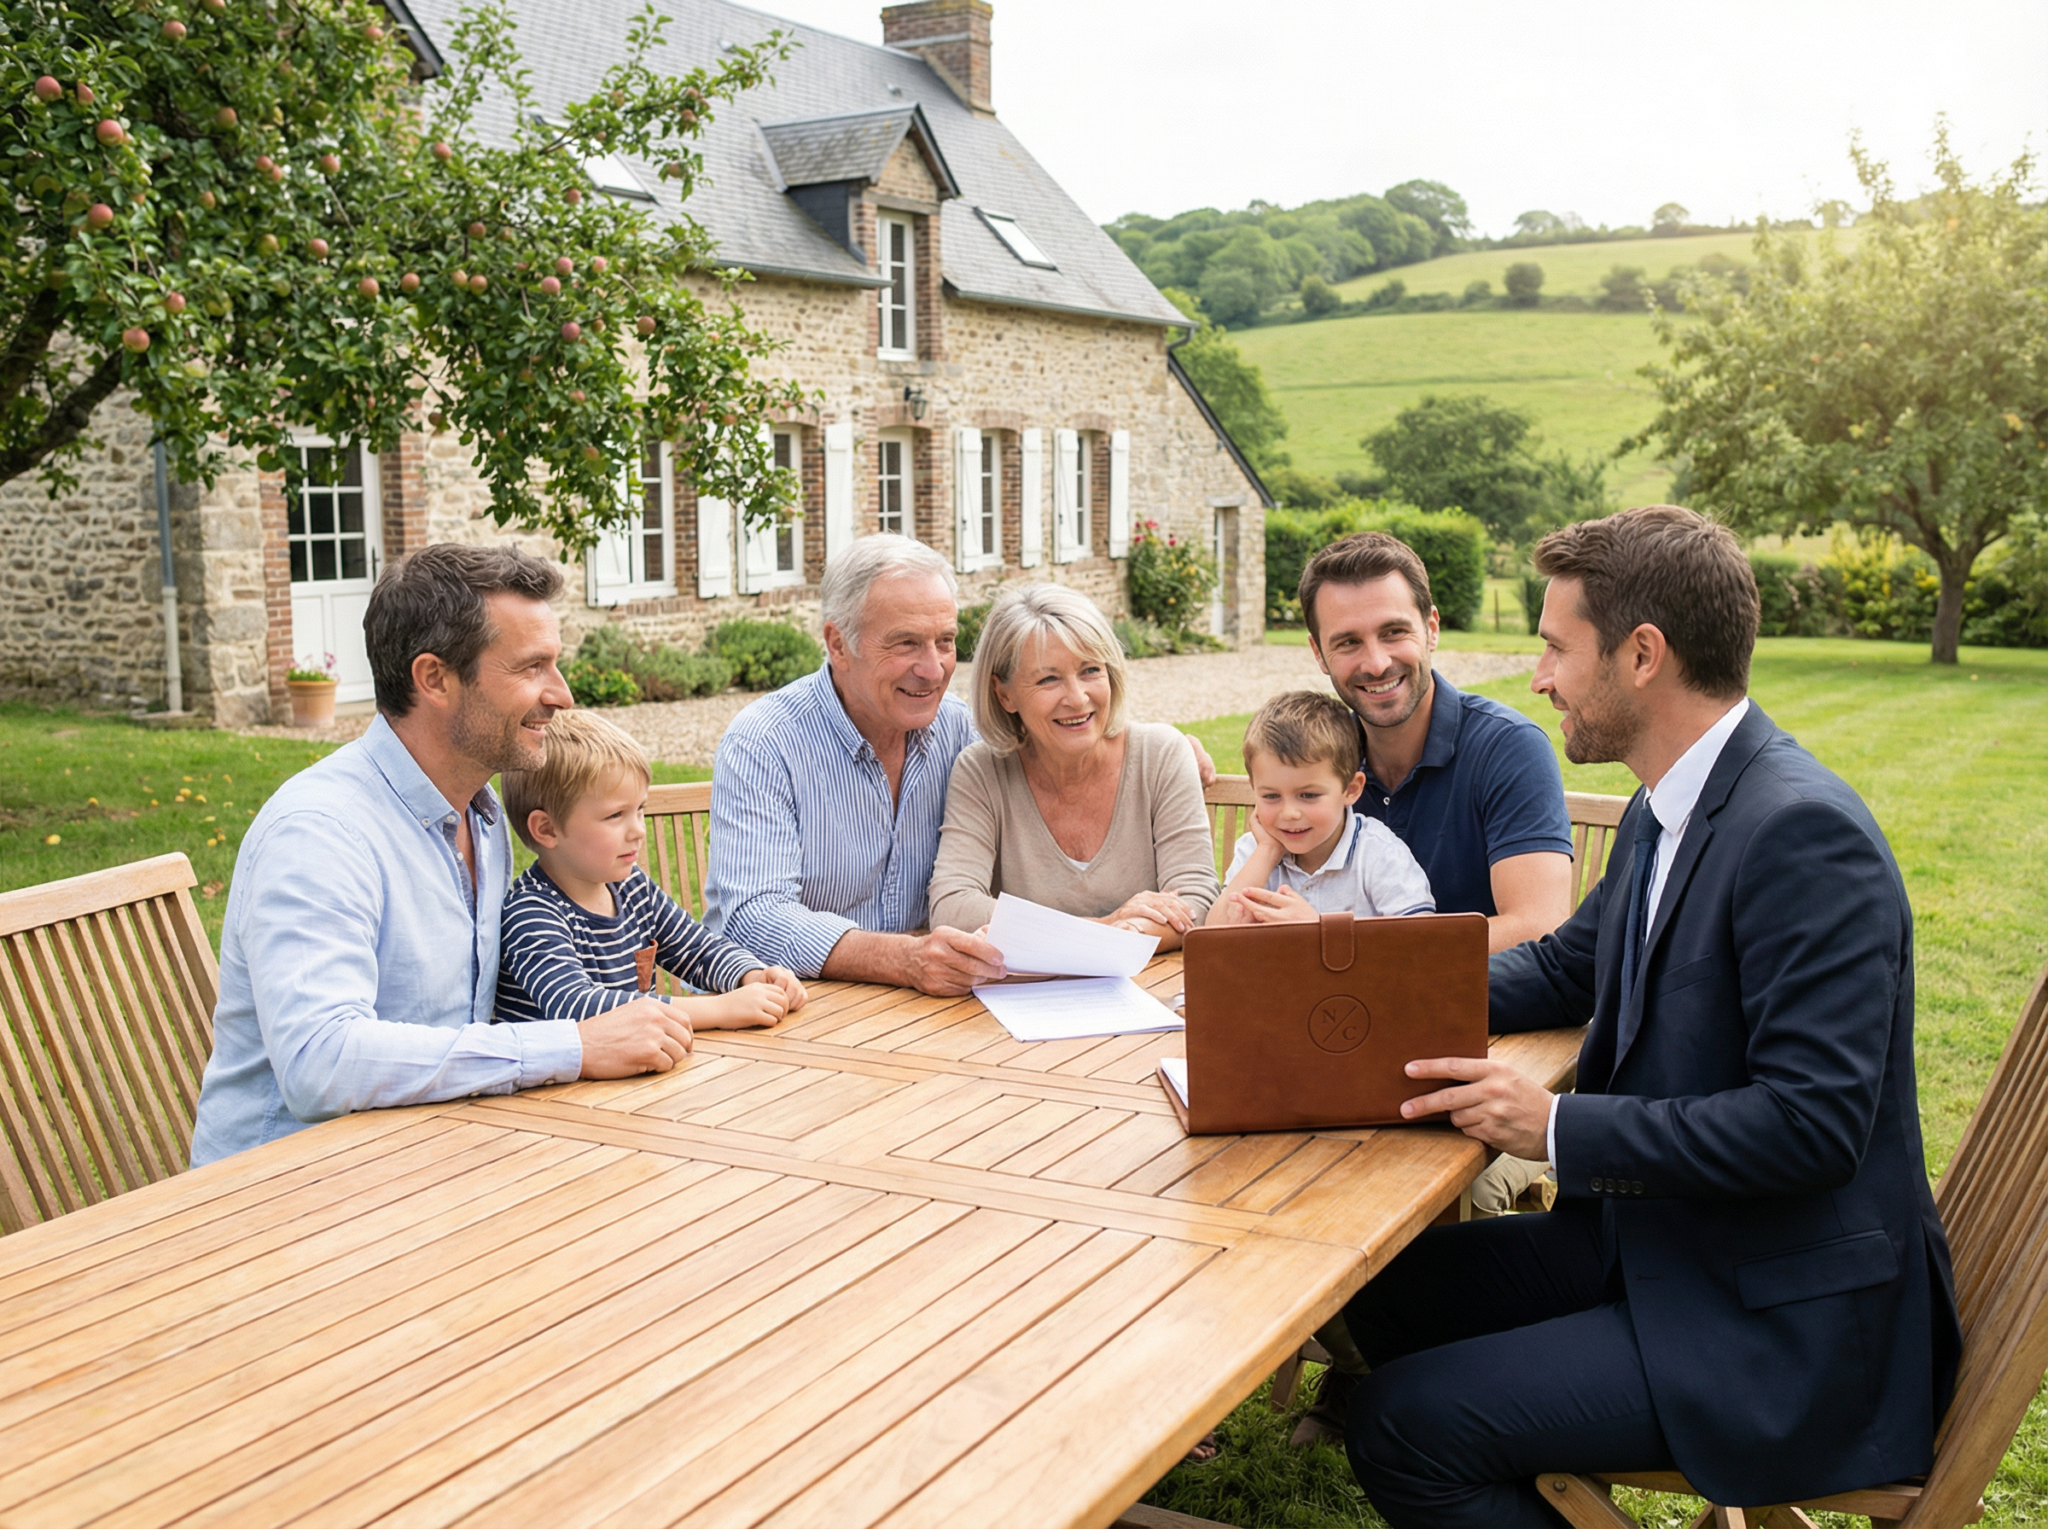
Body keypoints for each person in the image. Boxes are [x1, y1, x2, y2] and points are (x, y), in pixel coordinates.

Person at [1338, 506, 1960, 1528]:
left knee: (1403, 1423)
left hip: (1781, 1327)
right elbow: (1564, 967)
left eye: (1552, 646)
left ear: (1639, 654)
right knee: (1380, 1286)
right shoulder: (1666, 803)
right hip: (1672, 1245)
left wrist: (1548, 1127)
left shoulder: (1800, 833)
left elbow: (1811, 1124)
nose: (1538, 676)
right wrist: (1333, 990)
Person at [190, 544, 698, 1167]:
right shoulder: (320, 832)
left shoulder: (481, 816)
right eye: (531, 667)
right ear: (434, 678)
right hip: (287, 1197)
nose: (561, 695)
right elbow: (320, 1063)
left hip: (436, 1161)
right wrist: (571, 1044)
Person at [705, 536, 1214, 995]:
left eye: (945, 641)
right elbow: (756, 920)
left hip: (925, 1009)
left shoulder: (960, 733)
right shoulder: (765, 743)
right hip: (785, 1008)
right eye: (905, 643)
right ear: (839, 644)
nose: (932, 669)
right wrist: (902, 959)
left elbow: (1057, 716)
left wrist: (1162, 748)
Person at [929, 583, 1218, 944]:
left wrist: (1082, 937)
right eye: (1048, 679)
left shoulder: (1160, 754)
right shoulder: (982, 771)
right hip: (1025, 997)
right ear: (1004, 694)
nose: (1078, 698)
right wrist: (1105, 928)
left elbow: (1197, 901)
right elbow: (953, 908)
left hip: (1150, 990)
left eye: (1090, 670)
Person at [496, 708, 806, 1034]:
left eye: (639, 809)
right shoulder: (532, 914)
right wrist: (717, 1009)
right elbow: (580, 1007)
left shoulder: (632, 888)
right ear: (547, 829)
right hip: (558, 1084)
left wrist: (753, 976)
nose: (637, 831)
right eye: (615, 815)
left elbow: (697, 950)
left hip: (630, 1075)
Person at [1206, 689, 1433, 926]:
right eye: (1271, 796)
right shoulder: (1255, 851)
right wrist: (1268, 851)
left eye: (1308, 795)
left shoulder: (1378, 855)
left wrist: (1320, 930)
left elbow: (1419, 945)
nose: (1289, 813)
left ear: (1351, 789)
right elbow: (1212, 937)